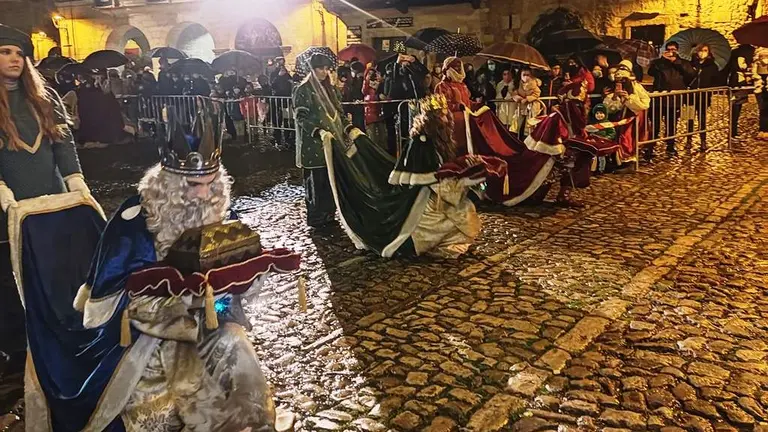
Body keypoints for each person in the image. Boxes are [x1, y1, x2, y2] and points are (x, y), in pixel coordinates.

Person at [24, 106, 299, 431]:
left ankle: (248, 422)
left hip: (209, 324)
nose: (204, 194)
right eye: (193, 185)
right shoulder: (133, 220)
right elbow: (109, 302)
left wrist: (236, 288)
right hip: (144, 336)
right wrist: (177, 310)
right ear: (170, 183)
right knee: (158, 392)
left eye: (211, 183)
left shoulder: (222, 213)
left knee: (236, 348)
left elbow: (236, 283)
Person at [0, 24, 93, 375]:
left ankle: (62, 329)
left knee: (56, 266)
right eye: (5, 52)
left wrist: (76, 181)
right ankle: (17, 345)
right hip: (8, 207)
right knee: (10, 275)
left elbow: (63, 145)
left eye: (20, 54)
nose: (15, 59)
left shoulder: (45, 97)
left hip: (51, 201)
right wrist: (2, 190)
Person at [293, 54, 348, 227]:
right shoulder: (303, 90)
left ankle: (329, 215)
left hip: (333, 144)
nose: (324, 72)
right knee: (316, 184)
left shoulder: (331, 89)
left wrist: (349, 128)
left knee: (331, 182)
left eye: (326, 69)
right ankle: (316, 218)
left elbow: (339, 112)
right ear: (312, 70)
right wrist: (318, 131)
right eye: (320, 69)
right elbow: (300, 117)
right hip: (314, 146)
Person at [647, 41, 695, 159]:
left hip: (674, 99)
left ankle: (670, 146)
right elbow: (651, 72)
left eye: (673, 49)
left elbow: (690, 74)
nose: (670, 52)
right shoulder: (658, 63)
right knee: (655, 124)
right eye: (668, 49)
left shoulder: (683, 63)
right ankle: (650, 147)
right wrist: (662, 60)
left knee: (671, 124)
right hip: (659, 98)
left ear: (677, 50)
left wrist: (676, 62)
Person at [603, 60, 650, 169]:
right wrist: (615, 97)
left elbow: (645, 103)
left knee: (628, 139)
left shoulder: (636, 87)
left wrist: (629, 99)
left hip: (632, 119)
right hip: (618, 120)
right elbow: (609, 107)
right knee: (618, 139)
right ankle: (618, 161)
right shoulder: (612, 88)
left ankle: (628, 162)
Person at [687, 43, 720, 151]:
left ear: (709, 52)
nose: (702, 53)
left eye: (705, 50)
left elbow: (716, 80)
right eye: (701, 50)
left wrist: (709, 88)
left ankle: (703, 141)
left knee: (702, 119)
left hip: (703, 96)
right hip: (691, 96)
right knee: (690, 119)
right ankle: (689, 140)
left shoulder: (712, 66)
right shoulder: (691, 64)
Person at [725, 45, 754, 141]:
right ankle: (732, 133)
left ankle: (734, 132)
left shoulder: (741, 73)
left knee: (737, 112)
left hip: (741, 90)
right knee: (734, 111)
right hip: (735, 90)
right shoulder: (734, 73)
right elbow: (741, 67)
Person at [509, 67, 543, 137]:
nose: (525, 77)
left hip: (532, 107)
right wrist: (516, 97)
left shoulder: (533, 83)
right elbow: (515, 92)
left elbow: (537, 93)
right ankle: (514, 136)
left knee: (530, 124)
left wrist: (527, 99)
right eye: (524, 75)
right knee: (516, 122)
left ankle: (528, 137)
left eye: (528, 75)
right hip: (522, 106)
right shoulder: (519, 83)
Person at [362, 66, 387, 149]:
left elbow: (385, 94)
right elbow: (364, 91)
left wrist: (381, 80)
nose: (371, 75)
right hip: (370, 114)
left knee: (383, 136)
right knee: (372, 137)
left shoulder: (379, 84)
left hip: (380, 113)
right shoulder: (366, 87)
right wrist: (367, 79)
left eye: (373, 74)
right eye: (369, 73)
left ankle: (384, 152)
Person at [588, 104, 616, 174]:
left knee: (601, 156)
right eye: (597, 113)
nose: (599, 115)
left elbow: (612, 133)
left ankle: (601, 169)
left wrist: (607, 138)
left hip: (604, 143)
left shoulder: (608, 124)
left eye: (601, 113)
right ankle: (593, 169)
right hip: (595, 142)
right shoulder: (593, 123)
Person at [754, 48, 768, 140]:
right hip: (761, 89)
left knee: (763, 110)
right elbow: (755, 75)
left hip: (761, 89)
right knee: (763, 110)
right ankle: (763, 130)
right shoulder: (758, 65)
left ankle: (763, 130)